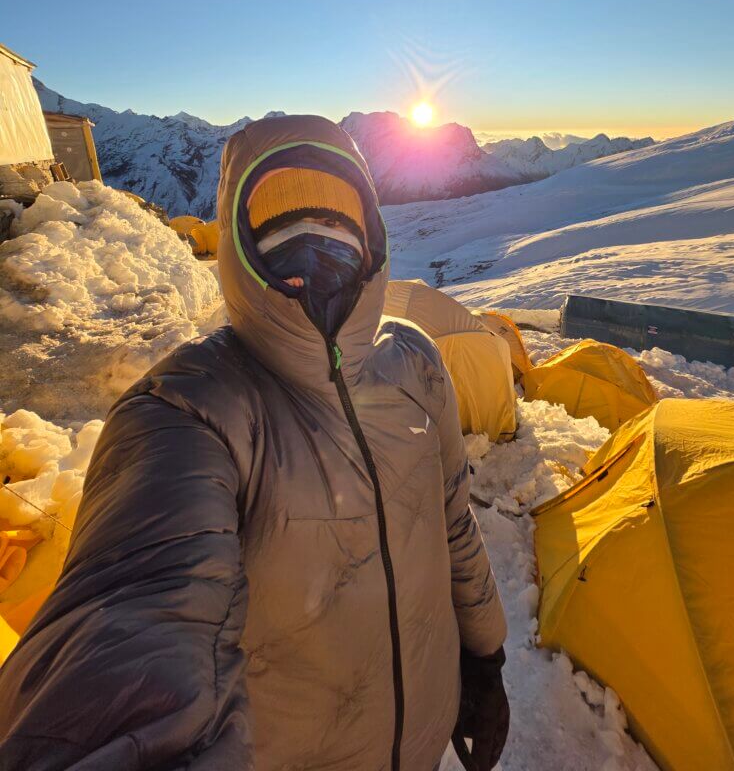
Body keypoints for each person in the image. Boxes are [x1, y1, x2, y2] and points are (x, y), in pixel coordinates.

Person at [0, 114, 509, 771]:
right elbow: (136, 617)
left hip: (423, 740)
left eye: (336, 218)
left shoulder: (414, 361)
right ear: (239, 244)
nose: (315, 243)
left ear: (370, 231)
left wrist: (485, 656)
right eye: (278, 220)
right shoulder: (189, 412)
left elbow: (454, 523)